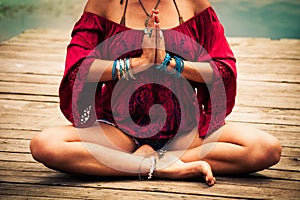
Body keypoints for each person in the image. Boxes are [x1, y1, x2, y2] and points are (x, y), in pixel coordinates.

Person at [30, 0, 282, 186]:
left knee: (266, 148)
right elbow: (77, 68)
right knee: (45, 145)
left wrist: (169, 63)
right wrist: (135, 64)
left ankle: (160, 158)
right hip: (118, 130)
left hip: (185, 130)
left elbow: (223, 70)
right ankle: (155, 167)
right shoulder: (103, 4)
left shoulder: (194, 4)